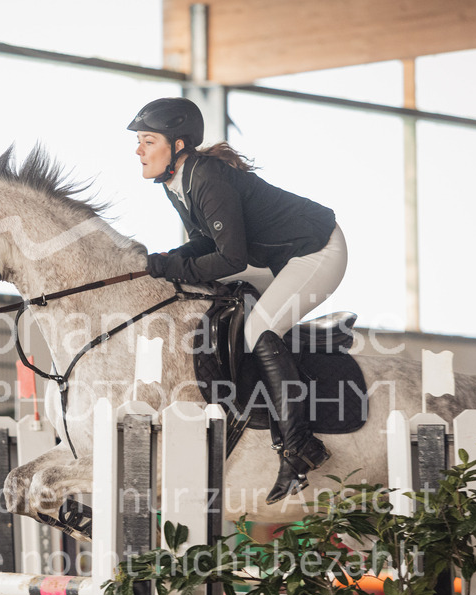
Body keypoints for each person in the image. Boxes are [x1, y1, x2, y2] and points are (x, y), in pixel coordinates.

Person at [128, 96, 348, 504]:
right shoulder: (175, 182)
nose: (138, 150)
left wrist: (176, 267)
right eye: (139, 141)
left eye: (147, 140)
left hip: (316, 251)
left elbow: (230, 258)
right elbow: (203, 242)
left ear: (177, 145)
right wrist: (166, 260)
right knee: (204, 294)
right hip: (275, 257)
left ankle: (299, 446)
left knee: (260, 328)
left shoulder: (206, 176)